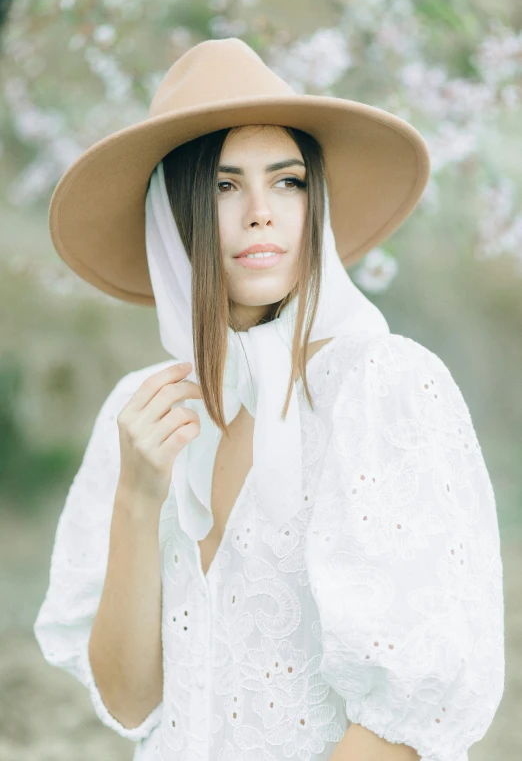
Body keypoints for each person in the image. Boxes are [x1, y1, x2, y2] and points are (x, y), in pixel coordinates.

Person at [33, 38, 504, 761]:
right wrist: (137, 494)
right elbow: (131, 702)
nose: (261, 212)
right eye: (224, 186)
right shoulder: (142, 414)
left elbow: (408, 717)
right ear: (173, 216)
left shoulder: (381, 387)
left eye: (288, 181)